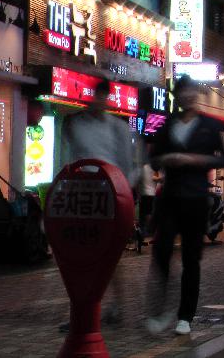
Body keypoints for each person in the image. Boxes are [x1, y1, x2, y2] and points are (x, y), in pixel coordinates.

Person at [146, 76, 224, 336]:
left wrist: (191, 159)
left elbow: (221, 159)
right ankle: (162, 307)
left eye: (191, 91)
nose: (188, 96)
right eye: (182, 92)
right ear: (176, 96)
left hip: (195, 199)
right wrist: (166, 158)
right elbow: (154, 158)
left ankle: (185, 316)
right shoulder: (168, 124)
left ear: (197, 94)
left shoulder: (208, 126)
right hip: (169, 197)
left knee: (192, 259)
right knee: (161, 252)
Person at [60, 79, 137, 328]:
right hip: (80, 195)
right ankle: (80, 309)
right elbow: (67, 158)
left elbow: (126, 165)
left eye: (100, 95)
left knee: (109, 253)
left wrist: (125, 199)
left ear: (107, 98)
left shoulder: (118, 128)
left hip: (108, 193)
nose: (96, 100)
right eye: (93, 95)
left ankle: (116, 306)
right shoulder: (75, 124)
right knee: (78, 252)